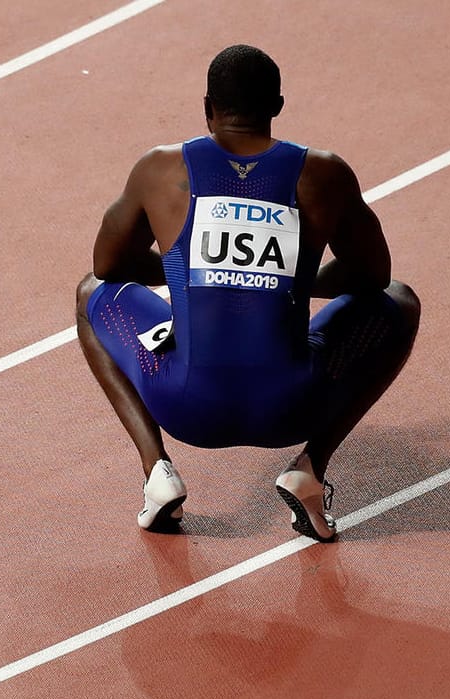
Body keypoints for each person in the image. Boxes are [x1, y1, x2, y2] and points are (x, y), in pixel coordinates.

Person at [76, 44, 420, 542]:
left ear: (207, 107)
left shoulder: (158, 169)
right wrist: (297, 279)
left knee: (90, 295)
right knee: (400, 302)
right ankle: (310, 466)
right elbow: (373, 275)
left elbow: (107, 266)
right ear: (278, 105)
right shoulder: (324, 174)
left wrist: (190, 274)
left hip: (185, 406)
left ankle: (157, 473)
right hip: (292, 407)